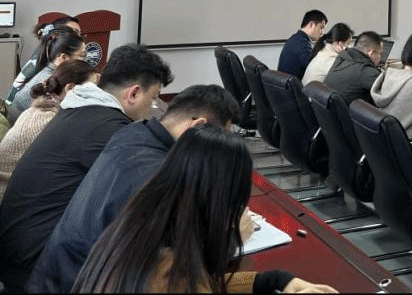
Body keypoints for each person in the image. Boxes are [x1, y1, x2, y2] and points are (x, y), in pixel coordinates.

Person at [71, 125, 336, 293]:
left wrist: (276, 281)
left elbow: (208, 282)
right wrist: (232, 238)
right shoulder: (170, 269)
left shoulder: (143, 222)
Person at [28, 85, 239, 293]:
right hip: (82, 282)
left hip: (55, 275)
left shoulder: (134, 132)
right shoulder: (159, 174)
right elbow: (187, 265)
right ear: (196, 128)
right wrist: (232, 232)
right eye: (218, 140)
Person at [0, 44, 173, 291]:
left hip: (18, 258)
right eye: (154, 98)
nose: (153, 107)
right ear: (134, 93)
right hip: (37, 271)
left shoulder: (80, 111)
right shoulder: (111, 129)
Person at [0, 60, 95, 200]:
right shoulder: (51, 121)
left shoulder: (38, 110)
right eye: (93, 89)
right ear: (70, 88)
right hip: (10, 196)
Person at [6, 28, 86, 121]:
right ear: (63, 57)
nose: (85, 61)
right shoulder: (52, 81)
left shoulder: (50, 72)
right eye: (81, 56)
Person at [324, 31, 384, 106]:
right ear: (370, 53)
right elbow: (389, 91)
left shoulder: (342, 57)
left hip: (332, 110)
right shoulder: (365, 71)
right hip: (349, 112)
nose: (380, 57)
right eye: (380, 53)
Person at [277, 9, 328, 80]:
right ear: (311, 25)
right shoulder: (302, 43)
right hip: (294, 86)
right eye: (321, 27)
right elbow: (314, 68)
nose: (322, 32)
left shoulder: (297, 38)